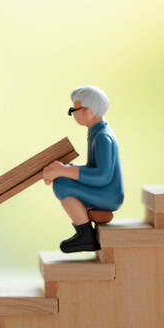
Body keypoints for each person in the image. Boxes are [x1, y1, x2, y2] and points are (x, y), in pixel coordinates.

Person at [41, 86, 123, 253]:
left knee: (62, 185)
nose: (73, 114)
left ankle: (85, 236)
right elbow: (93, 169)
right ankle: (84, 233)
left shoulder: (102, 137)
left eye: (73, 110)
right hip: (104, 190)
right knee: (63, 181)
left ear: (88, 111)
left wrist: (63, 171)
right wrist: (64, 169)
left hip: (109, 194)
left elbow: (102, 176)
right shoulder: (96, 133)